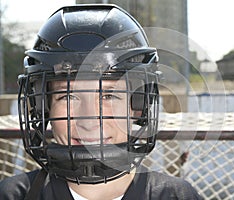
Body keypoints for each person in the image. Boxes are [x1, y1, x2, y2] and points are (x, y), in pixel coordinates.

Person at [0, 4, 202, 200]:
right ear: (43, 109)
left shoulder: (176, 196)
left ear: (138, 107)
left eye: (108, 96)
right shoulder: (13, 195)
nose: (88, 122)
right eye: (68, 97)